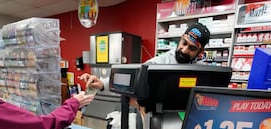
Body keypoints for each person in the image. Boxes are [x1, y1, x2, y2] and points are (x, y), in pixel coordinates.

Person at [78, 22, 211, 91]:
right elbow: (135, 75)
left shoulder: (204, 71)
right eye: (184, 43)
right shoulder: (162, 61)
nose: (184, 50)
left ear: (200, 52)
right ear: (180, 39)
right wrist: (102, 83)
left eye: (192, 48)